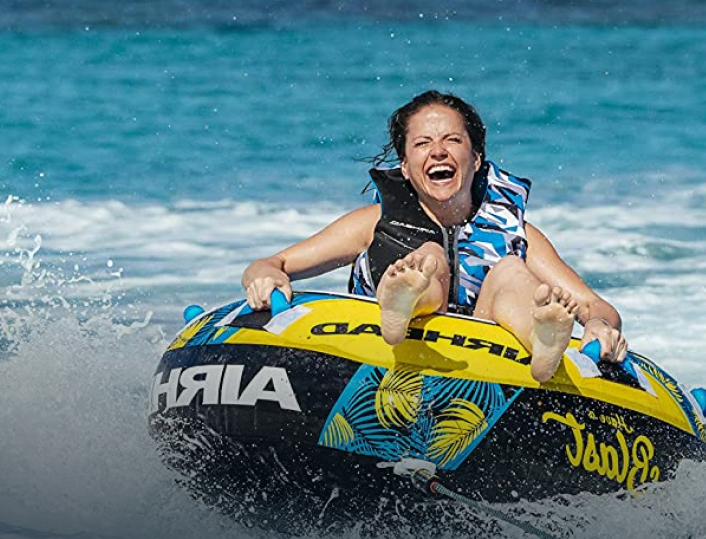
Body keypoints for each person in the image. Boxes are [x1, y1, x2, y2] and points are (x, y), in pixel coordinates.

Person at [240, 91, 625, 382]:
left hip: (486, 365)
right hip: (383, 350)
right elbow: (274, 264)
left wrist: (599, 326)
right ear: (405, 167)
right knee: (428, 258)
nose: (438, 152)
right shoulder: (372, 223)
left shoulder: (516, 233)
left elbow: (594, 305)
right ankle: (402, 302)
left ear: (476, 159)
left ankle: (541, 340)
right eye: (423, 144)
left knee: (510, 270)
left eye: (453, 141)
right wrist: (266, 276)